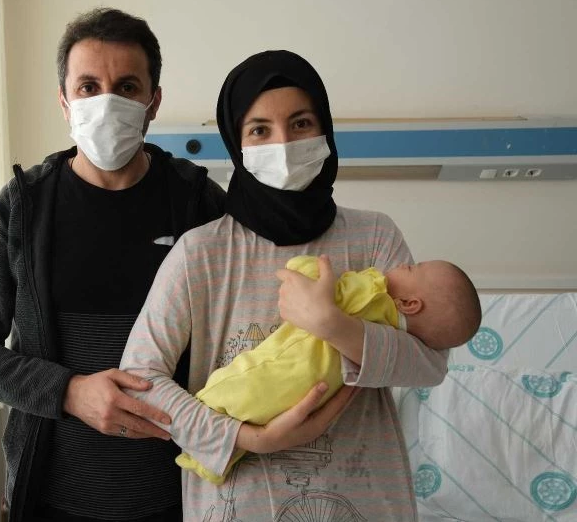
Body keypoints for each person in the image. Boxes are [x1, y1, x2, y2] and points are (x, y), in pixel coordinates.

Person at [119, 50, 455, 520]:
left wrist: (334, 326)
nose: (283, 144)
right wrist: (250, 438)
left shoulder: (375, 236)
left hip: (366, 502)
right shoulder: (201, 253)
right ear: (236, 143)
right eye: (260, 130)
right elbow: (139, 379)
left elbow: (429, 364)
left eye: (300, 124)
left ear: (325, 130)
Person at [0, 8, 232, 522]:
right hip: (50, 498)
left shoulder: (197, 204)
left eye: (127, 87)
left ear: (153, 102)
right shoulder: (22, 209)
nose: (107, 103)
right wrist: (68, 392)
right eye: (89, 87)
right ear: (64, 101)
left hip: (182, 498)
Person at [176, 254, 481, 484]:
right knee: (258, 408)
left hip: (286, 369)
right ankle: (210, 460)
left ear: (410, 304)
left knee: (234, 390)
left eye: (412, 268)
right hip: (310, 391)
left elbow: (434, 369)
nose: (402, 264)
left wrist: (310, 273)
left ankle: (203, 449)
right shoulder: (394, 334)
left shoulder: (374, 291)